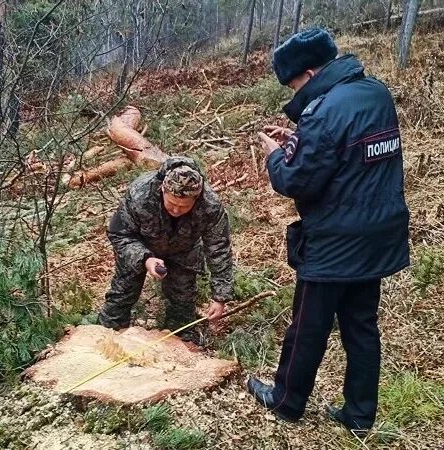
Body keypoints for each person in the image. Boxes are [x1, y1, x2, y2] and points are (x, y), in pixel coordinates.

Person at [249, 28, 410, 432]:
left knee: (308, 326)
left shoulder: (323, 109)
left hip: (335, 240)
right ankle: (359, 416)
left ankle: (286, 401)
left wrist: (274, 157)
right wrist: (300, 140)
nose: (295, 91)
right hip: (378, 234)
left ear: (308, 70)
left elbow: (298, 181)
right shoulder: (375, 93)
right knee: (361, 326)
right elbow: (347, 158)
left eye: (294, 83)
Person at [98, 156, 233, 343]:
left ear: (197, 198)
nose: (177, 210)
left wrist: (220, 296)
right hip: (139, 245)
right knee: (122, 294)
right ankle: (103, 340)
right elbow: (119, 234)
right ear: (163, 189)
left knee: (182, 302)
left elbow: (219, 248)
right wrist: (146, 259)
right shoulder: (140, 195)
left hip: (183, 250)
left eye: (183, 206)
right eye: (172, 204)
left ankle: (180, 347)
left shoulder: (210, 206)